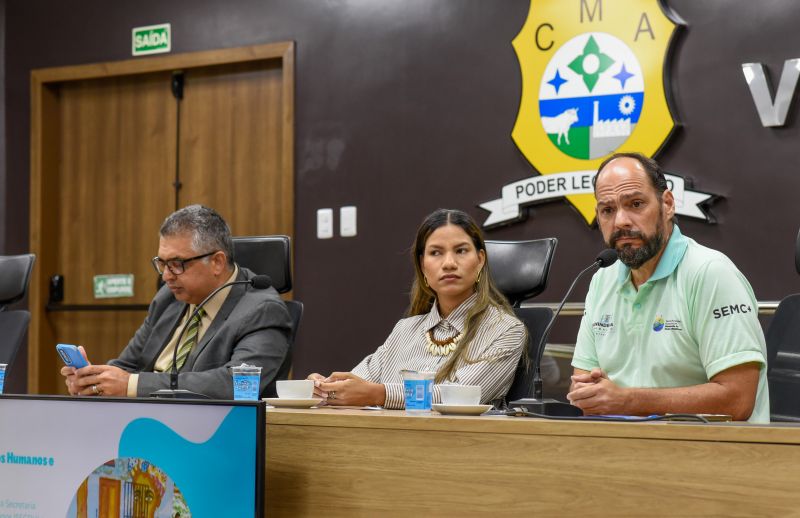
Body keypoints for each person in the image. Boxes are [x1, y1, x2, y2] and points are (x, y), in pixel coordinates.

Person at [568, 152, 769, 422]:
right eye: (608, 210)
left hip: (713, 455)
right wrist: (590, 396)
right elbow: (580, 389)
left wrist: (627, 401)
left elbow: (738, 399)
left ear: (668, 204)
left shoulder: (710, 273)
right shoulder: (602, 279)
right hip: (626, 452)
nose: (621, 221)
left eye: (636, 204)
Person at [60, 205, 292, 399]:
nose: (166, 275)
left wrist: (131, 385)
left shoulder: (262, 310)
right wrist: (93, 381)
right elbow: (129, 365)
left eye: (177, 264)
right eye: (162, 263)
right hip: (146, 424)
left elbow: (236, 385)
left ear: (217, 262)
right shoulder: (169, 298)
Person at [307, 209, 526, 409]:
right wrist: (325, 387)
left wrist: (379, 395)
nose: (449, 263)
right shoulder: (405, 329)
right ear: (423, 267)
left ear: (480, 260)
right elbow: (357, 384)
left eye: (460, 250)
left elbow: (461, 396)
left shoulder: (507, 330)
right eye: (436, 253)